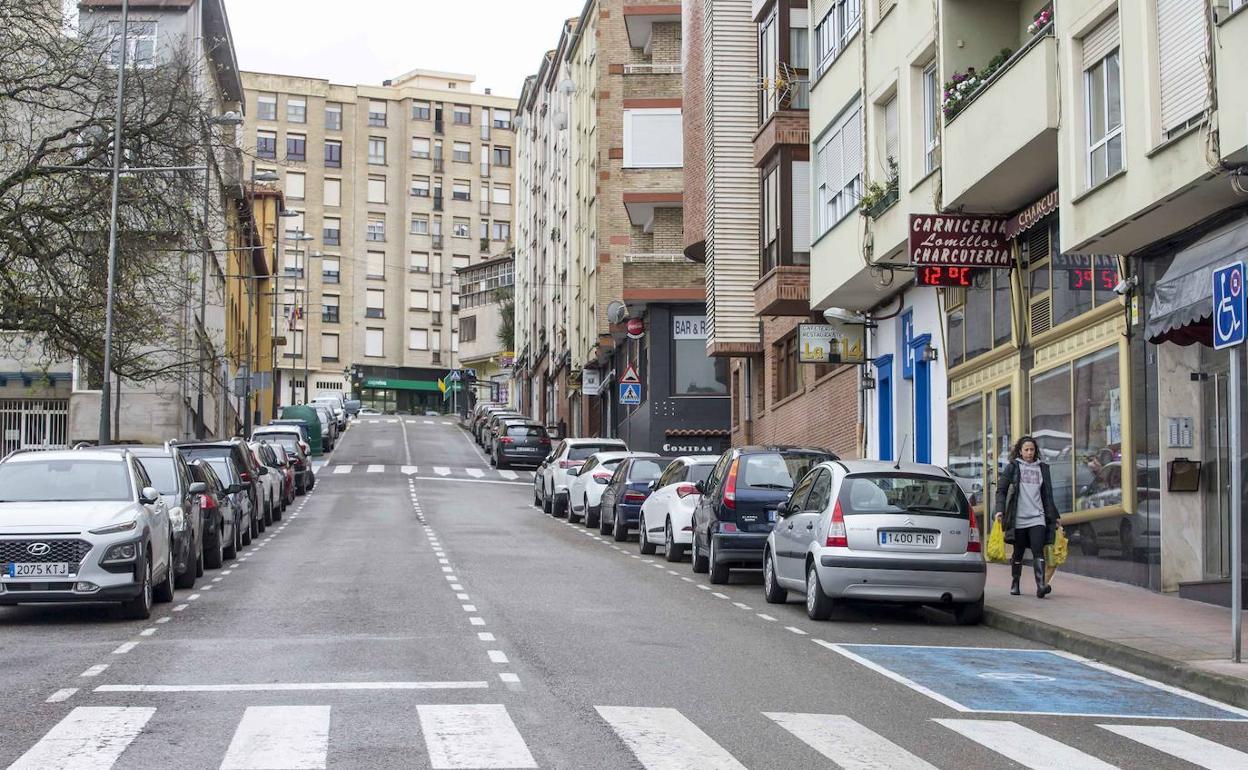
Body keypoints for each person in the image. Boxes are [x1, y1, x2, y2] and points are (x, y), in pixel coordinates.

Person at [994, 436, 1060, 598]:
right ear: (1020, 451)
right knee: (1018, 552)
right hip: (1019, 518)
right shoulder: (1013, 467)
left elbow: (1047, 495)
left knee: (1038, 549)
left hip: (1038, 516)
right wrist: (999, 510)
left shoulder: (1042, 468)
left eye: (1032, 450)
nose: (1029, 453)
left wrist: (1055, 516)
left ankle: (1041, 586)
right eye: (1026, 450)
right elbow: (1001, 490)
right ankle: (1015, 582)